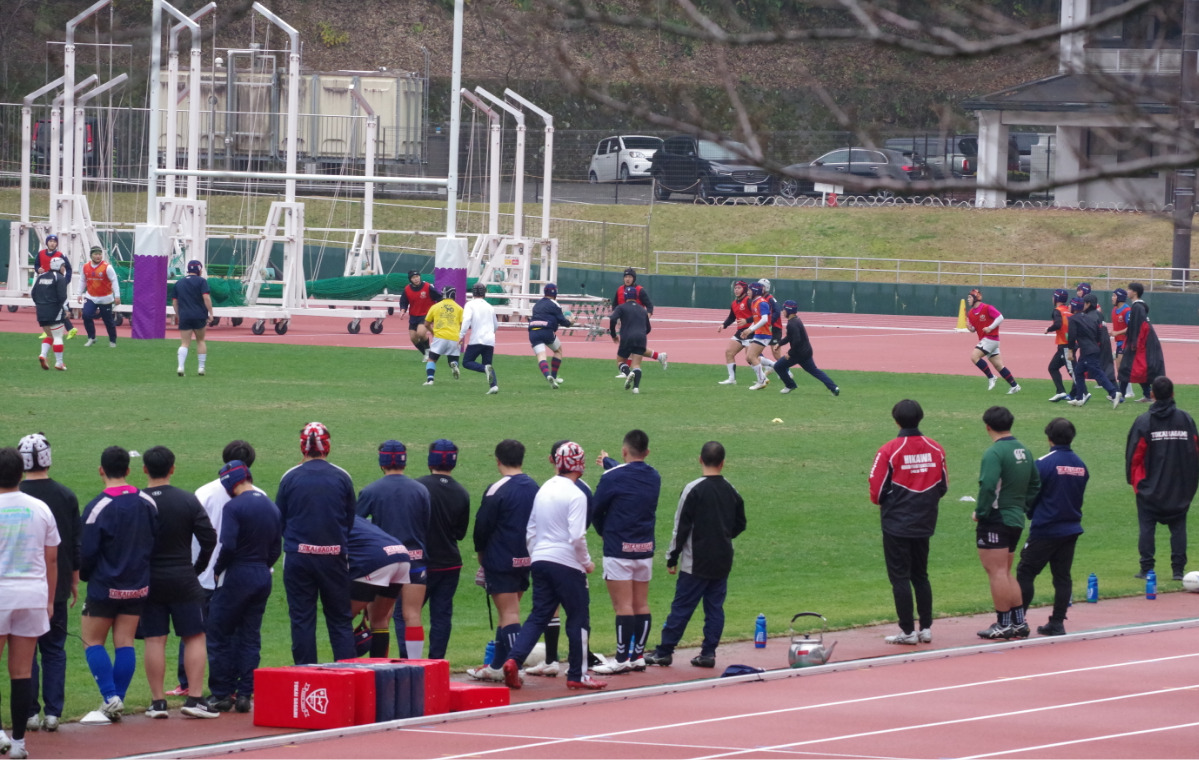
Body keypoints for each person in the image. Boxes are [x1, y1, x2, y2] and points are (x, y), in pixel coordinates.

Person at [500, 442, 607, 691]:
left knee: (539, 615)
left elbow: (531, 530)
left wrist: (537, 555)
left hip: (541, 559)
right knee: (579, 618)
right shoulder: (576, 494)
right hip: (567, 562)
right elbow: (577, 537)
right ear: (579, 465)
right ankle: (577, 674)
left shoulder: (544, 488)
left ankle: (513, 659)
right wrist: (587, 562)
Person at [644, 441, 747, 669]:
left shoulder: (693, 489)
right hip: (722, 559)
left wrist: (672, 557)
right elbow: (741, 523)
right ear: (723, 463)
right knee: (714, 608)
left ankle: (664, 651)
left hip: (696, 560)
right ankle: (708, 653)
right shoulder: (731, 489)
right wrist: (723, 537)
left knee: (682, 606)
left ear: (700, 459)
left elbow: (680, 527)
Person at [79, 445, 159, 725]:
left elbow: (86, 552)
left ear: (101, 470)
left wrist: (85, 576)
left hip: (105, 585)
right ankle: (117, 701)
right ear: (128, 469)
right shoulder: (147, 502)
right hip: (137, 584)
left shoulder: (97, 506)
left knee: (91, 640)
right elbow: (154, 539)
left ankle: (111, 696)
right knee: (124, 642)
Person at [139, 446, 218, 720]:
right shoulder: (187, 500)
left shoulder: (138, 501)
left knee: (154, 639)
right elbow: (209, 538)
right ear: (173, 468)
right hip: (184, 577)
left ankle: (158, 702)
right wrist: (197, 568)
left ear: (145, 469)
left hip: (148, 580)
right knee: (195, 636)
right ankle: (195, 698)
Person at [175, 440, 259, 696]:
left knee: (193, 628)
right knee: (233, 631)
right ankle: (233, 685)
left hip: (204, 573)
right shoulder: (258, 495)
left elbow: (192, 535)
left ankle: (187, 682)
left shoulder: (204, 492)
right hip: (239, 576)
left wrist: (193, 567)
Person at [275, 422, 357, 665]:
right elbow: (350, 519)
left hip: (299, 557)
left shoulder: (290, 476)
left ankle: (305, 676)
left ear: (302, 447)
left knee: (302, 619)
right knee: (340, 619)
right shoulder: (342, 476)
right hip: (334, 558)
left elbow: (280, 518)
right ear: (327, 447)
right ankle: (348, 676)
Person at [868, 400, 948, 645]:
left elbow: (876, 488)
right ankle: (925, 628)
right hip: (925, 518)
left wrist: (887, 503)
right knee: (920, 574)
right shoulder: (935, 447)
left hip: (896, 521)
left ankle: (907, 631)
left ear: (896, 420)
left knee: (900, 577)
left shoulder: (889, 450)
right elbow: (942, 485)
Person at [205, 461, 282, 714]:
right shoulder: (271, 506)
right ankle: (245, 695)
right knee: (250, 637)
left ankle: (221, 694)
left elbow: (227, 545)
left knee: (218, 632)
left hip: (237, 574)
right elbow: (275, 549)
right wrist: (262, 566)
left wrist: (217, 569)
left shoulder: (233, 507)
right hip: (262, 574)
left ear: (229, 484)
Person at [0, 447, 60, 761]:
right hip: (32, 595)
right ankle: (20, 742)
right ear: (22, 473)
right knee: (22, 672)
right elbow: (52, 558)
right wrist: (49, 600)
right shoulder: (40, 508)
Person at [16, 434, 78, 735]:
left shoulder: (15, 496)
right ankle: (53, 712)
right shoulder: (65, 495)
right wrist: (74, 580)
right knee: (54, 649)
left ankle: (29, 712)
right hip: (56, 584)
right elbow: (72, 543)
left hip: (23, 585)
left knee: (26, 654)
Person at [467, 440, 540, 683]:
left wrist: (481, 553)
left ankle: (513, 667)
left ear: (497, 460)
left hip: (501, 558)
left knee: (509, 614)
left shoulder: (496, 489)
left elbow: (482, 526)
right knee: (506, 614)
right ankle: (497, 666)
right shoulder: (534, 487)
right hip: (526, 557)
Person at [592, 430, 661, 674]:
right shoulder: (654, 476)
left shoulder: (613, 477)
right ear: (648, 452)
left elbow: (596, 509)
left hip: (618, 549)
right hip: (644, 549)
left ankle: (621, 659)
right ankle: (637, 656)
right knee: (641, 604)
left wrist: (603, 531)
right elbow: (630, 474)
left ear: (624, 451)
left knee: (623, 606)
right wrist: (609, 462)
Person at [356, 440, 431, 659]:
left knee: (379, 617)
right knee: (412, 614)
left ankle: (380, 668)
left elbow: (356, 526)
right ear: (404, 462)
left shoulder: (370, 490)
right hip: (415, 559)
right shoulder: (421, 490)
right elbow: (426, 524)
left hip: (384, 561)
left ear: (382, 462)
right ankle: (416, 666)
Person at [1016, 417, 1088, 637]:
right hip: (1071, 527)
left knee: (1025, 572)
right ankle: (1057, 621)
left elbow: (1033, 494)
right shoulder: (1080, 465)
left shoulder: (1043, 463)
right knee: (1062, 576)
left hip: (1046, 527)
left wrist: (1030, 512)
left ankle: (1018, 621)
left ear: (1048, 437)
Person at [973, 407, 1040, 640]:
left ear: (987, 426)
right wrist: (1023, 505)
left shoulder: (994, 453)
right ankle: (1019, 622)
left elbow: (988, 485)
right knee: (1007, 571)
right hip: (1015, 518)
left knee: (997, 572)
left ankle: (1003, 623)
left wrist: (980, 512)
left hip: (996, 518)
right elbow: (1035, 484)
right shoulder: (1024, 450)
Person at [1125, 376, 1199, 581]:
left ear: (1152, 394)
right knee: (1178, 527)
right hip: (1179, 487)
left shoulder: (1144, 421)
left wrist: (1137, 484)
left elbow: (1134, 457)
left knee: (1147, 527)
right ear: (1173, 394)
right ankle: (1178, 571)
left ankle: (1146, 568)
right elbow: (1195, 454)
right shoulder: (1186, 420)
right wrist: (1189, 485)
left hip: (1150, 488)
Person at [416, 440, 471, 660]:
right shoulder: (462, 493)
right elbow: (460, 533)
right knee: (442, 615)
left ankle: (408, 660)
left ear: (431, 460)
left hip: (421, 562)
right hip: (450, 563)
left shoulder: (418, 487)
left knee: (409, 614)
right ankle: (436, 661)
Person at [346, 516, 411, 659]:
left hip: (377, 558)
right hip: (400, 554)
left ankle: (346, 669)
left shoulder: (330, 519)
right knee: (379, 618)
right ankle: (380, 669)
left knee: (342, 618)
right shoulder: (356, 518)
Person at [1066, 294, 1122, 408]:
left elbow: (1071, 337)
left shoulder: (1073, 319)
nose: (1068, 307)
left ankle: (1114, 392)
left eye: (1070, 305)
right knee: (1078, 372)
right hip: (1093, 348)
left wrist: (1071, 350)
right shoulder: (1088, 317)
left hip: (1087, 351)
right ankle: (1079, 398)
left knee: (1097, 372)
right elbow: (1098, 333)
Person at [775, 300, 840, 396]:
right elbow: (790, 337)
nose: (782, 312)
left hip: (798, 353)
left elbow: (796, 341)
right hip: (806, 352)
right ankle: (834, 388)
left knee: (778, 366)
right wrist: (780, 343)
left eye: (784, 310)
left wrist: (790, 353)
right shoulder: (796, 320)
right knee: (815, 371)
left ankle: (790, 385)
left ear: (788, 311)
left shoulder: (792, 324)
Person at [964, 288, 1020, 394]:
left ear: (976, 298)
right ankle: (1015, 385)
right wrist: (969, 328)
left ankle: (991, 377)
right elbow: (974, 330)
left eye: (970, 297)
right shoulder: (971, 313)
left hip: (990, 339)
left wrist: (990, 327)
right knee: (999, 366)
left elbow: (1000, 317)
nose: (968, 300)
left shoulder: (987, 308)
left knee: (974, 356)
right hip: (988, 341)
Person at [612, 268, 667, 375]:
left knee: (630, 346)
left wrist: (646, 318)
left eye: (630, 277)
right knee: (632, 347)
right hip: (625, 323)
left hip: (636, 323)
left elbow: (649, 305)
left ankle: (625, 372)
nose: (627, 279)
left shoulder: (639, 290)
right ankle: (659, 356)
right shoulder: (619, 290)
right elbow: (615, 305)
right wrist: (617, 317)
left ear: (634, 278)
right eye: (626, 277)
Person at [1117, 282, 1166, 403]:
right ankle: (1147, 395)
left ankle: (1120, 395)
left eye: (1129, 289)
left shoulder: (1137, 307)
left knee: (1126, 367)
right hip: (1141, 342)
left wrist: (1135, 344)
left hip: (1141, 343)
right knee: (1138, 369)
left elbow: (1141, 327)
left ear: (1135, 292)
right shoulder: (1137, 306)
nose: (1127, 291)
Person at [171, 260, 213, 377]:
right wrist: (211, 313)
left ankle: (180, 366)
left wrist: (179, 315)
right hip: (199, 315)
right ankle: (201, 368)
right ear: (199, 269)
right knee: (200, 341)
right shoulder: (202, 281)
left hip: (185, 315)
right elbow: (206, 297)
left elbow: (175, 302)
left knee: (184, 343)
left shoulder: (179, 283)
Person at [528, 283, 573, 389]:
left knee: (541, 356)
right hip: (546, 331)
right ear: (555, 293)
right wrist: (571, 321)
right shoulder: (555, 304)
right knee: (558, 350)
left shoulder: (537, 304)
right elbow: (563, 322)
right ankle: (554, 376)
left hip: (533, 331)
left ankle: (547, 375)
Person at [31, 255, 70, 371]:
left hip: (41, 311)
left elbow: (33, 294)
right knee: (58, 336)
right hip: (54, 310)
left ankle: (43, 355)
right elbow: (62, 296)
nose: (64, 269)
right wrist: (66, 309)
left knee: (49, 335)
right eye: (63, 266)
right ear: (59, 266)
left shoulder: (41, 277)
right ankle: (59, 363)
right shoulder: (59, 278)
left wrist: (40, 305)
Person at [460, 282, 499, 394]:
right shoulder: (489, 307)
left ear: (473, 293)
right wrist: (491, 334)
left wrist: (461, 335)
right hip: (490, 340)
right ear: (484, 293)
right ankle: (494, 386)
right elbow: (496, 325)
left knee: (467, 362)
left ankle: (485, 370)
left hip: (477, 339)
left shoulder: (470, 305)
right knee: (488, 364)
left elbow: (466, 320)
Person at [34, 233, 75, 339]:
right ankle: (58, 329)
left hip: (56, 283)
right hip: (45, 284)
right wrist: (38, 270)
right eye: (50, 241)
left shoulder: (61, 255)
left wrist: (66, 280)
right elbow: (36, 265)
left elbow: (69, 268)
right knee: (51, 306)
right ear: (47, 242)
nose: (52, 243)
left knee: (57, 304)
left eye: (54, 241)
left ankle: (65, 329)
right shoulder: (41, 253)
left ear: (57, 243)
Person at [609, 296, 653, 394]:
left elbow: (613, 319)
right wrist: (640, 334)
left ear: (625, 297)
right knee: (636, 364)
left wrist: (613, 334)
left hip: (627, 338)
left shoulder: (621, 307)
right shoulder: (642, 309)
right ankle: (636, 388)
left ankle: (628, 374)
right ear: (636, 297)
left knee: (620, 361)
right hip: (641, 338)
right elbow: (648, 328)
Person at [79, 245, 120, 348]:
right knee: (86, 315)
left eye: (100, 254)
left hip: (105, 298)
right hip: (91, 297)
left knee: (108, 321)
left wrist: (117, 295)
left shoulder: (107, 267)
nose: (98, 256)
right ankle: (91, 338)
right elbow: (83, 280)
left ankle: (112, 341)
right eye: (96, 254)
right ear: (91, 255)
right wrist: (79, 293)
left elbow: (114, 280)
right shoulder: (85, 267)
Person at [423, 286, 464, 386]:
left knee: (432, 359)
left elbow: (426, 324)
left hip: (440, 336)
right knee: (453, 359)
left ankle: (430, 380)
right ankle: (454, 365)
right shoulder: (459, 308)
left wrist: (432, 332)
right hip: (454, 337)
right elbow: (463, 325)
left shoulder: (435, 306)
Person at [739, 281, 775, 391]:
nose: (747, 292)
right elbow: (757, 320)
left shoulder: (761, 303)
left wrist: (751, 329)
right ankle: (775, 366)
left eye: (749, 290)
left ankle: (762, 381)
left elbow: (764, 319)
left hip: (763, 334)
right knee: (750, 357)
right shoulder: (755, 302)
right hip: (759, 334)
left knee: (751, 357)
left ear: (755, 291)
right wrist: (749, 330)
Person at [399, 270, 442, 359]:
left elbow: (439, 297)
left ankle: (428, 350)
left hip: (426, 314)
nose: (416, 279)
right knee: (413, 338)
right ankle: (427, 353)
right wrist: (403, 310)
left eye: (417, 276)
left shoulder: (427, 286)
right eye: (414, 278)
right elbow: (404, 301)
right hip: (414, 316)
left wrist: (439, 310)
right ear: (410, 279)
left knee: (421, 333)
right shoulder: (407, 289)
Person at [717, 280, 753, 385]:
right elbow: (732, 317)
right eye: (735, 288)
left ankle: (767, 373)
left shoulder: (749, 301)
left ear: (744, 290)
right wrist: (724, 325)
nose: (736, 290)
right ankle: (732, 379)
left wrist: (747, 321)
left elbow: (757, 316)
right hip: (740, 332)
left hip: (751, 332)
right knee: (729, 352)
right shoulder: (734, 303)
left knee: (750, 357)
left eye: (739, 288)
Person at [1045, 289, 1073, 402]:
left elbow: (1057, 324)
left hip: (1064, 345)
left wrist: (1048, 329)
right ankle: (1061, 392)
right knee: (1053, 367)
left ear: (1056, 298)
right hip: (1067, 344)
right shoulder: (1068, 310)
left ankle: (1083, 392)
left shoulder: (1057, 311)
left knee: (1072, 371)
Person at [1110, 287, 1131, 361]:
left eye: (1114, 296)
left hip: (1126, 343)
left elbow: (1131, 328)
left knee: (1122, 370)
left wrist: (1117, 333)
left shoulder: (1127, 311)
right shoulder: (1114, 310)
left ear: (1120, 297)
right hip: (1119, 343)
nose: (1112, 298)